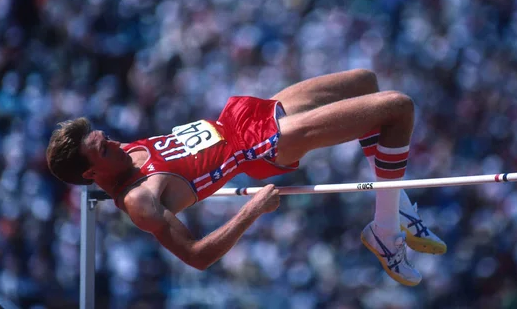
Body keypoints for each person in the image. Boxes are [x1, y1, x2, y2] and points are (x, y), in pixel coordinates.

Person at [46, 69, 446, 286]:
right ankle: (386, 227)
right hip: (259, 148)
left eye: (105, 137)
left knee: (365, 83)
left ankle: (396, 210)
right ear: (91, 173)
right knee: (397, 107)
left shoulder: (124, 154)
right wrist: (252, 209)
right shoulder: (138, 200)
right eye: (103, 149)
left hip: (239, 118)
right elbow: (197, 256)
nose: (113, 142)